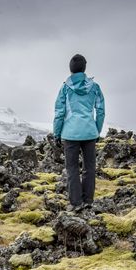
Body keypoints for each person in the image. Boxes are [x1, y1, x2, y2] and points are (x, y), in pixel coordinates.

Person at [53, 53, 105, 212]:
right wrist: (97, 130)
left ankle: (75, 203)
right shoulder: (95, 87)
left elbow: (59, 113)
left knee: (72, 168)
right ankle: (88, 201)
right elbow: (100, 111)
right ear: (84, 68)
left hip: (70, 134)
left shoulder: (65, 88)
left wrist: (57, 133)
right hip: (90, 132)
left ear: (70, 69)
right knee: (89, 167)